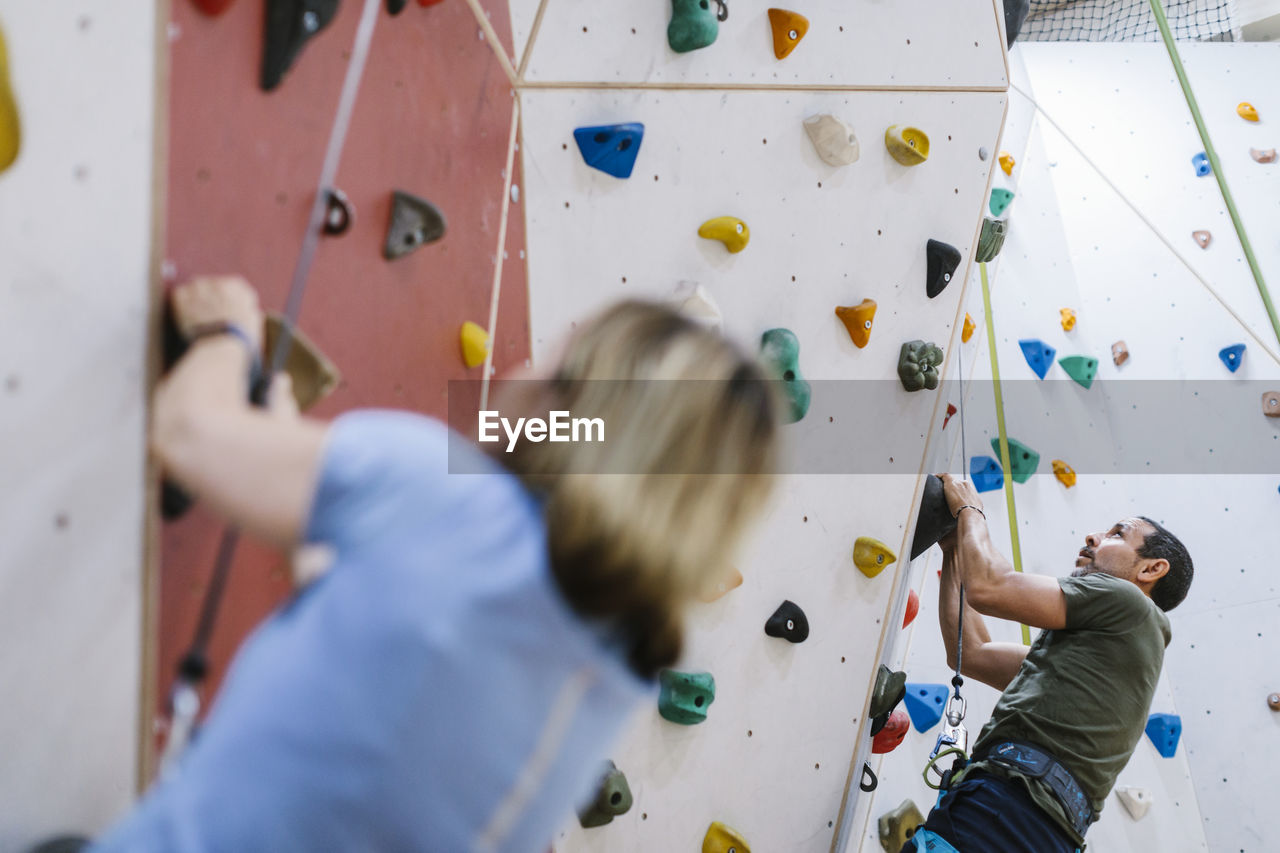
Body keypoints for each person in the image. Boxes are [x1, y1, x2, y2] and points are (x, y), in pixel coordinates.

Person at [89, 276, 780, 853]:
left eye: (555, 359)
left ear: (571, 410)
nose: (523, 370)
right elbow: (387, 641)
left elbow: (187, 431)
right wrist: (281, 443)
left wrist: (227, 333)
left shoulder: (450, 500)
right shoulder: (614, 668)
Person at [904, 473, 1194, 853]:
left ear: (1151, 570)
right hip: (1034, 825)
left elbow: (991, 587)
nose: (1093, 538)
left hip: (1009, 810)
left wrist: (970, 510)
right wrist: (954, 548)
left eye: (1117, 535)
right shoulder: (1099, 658)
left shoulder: (1128, 602)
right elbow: (971, 653)